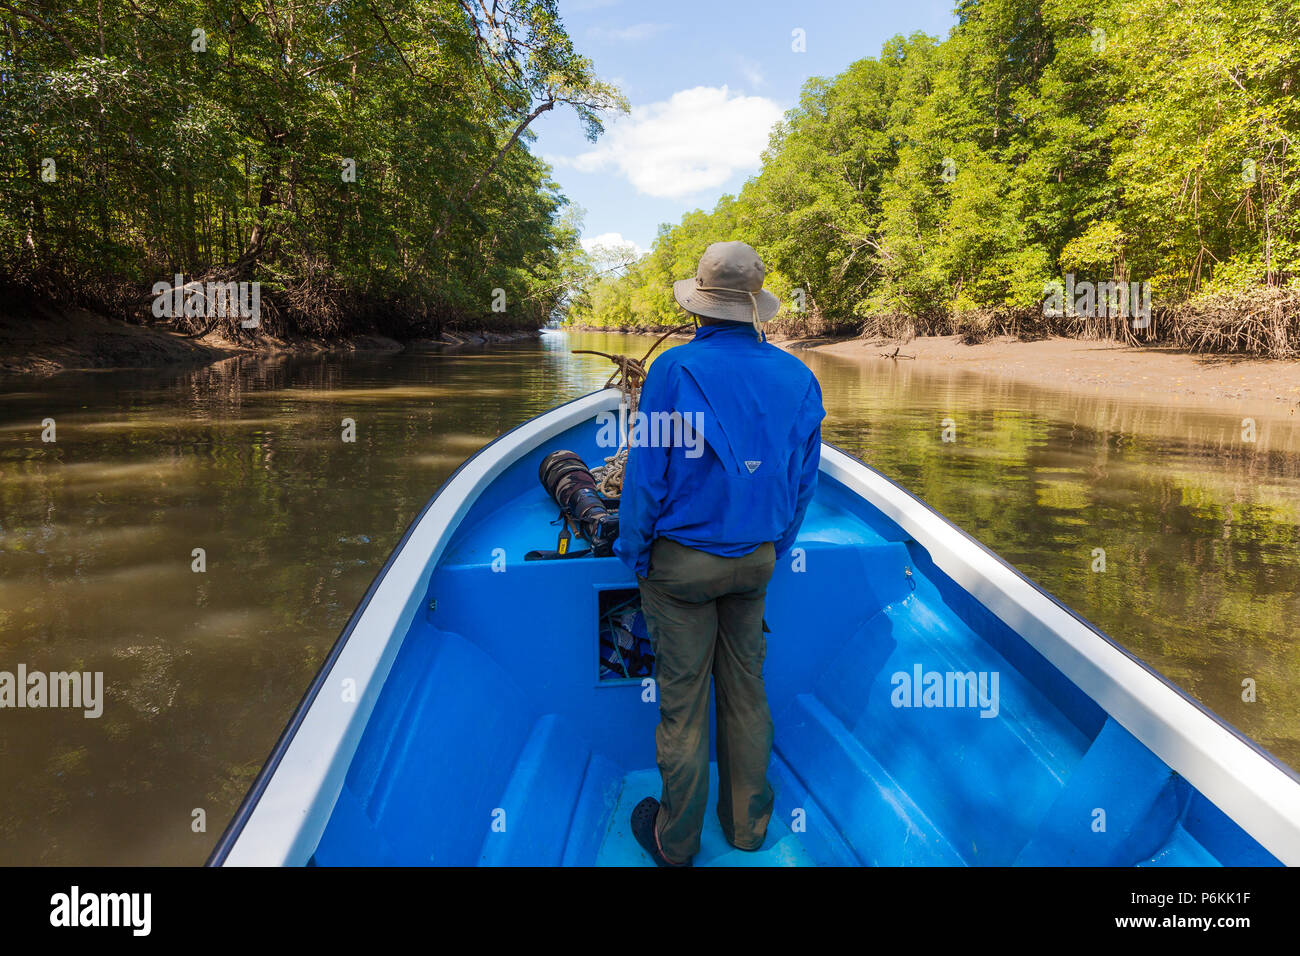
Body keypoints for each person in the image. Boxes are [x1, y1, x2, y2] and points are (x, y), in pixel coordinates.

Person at [615, 240, 825, 867]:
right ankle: (747, 830)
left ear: (699, 308)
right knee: (746, 694)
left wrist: (633, 549)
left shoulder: (675, 370)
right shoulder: (798, 375)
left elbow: (647, 475)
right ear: (754, 310)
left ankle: (675, 843)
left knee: (681, 706)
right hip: (756, 561)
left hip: (681, 567)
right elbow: (803, 479)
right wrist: (776, 544)